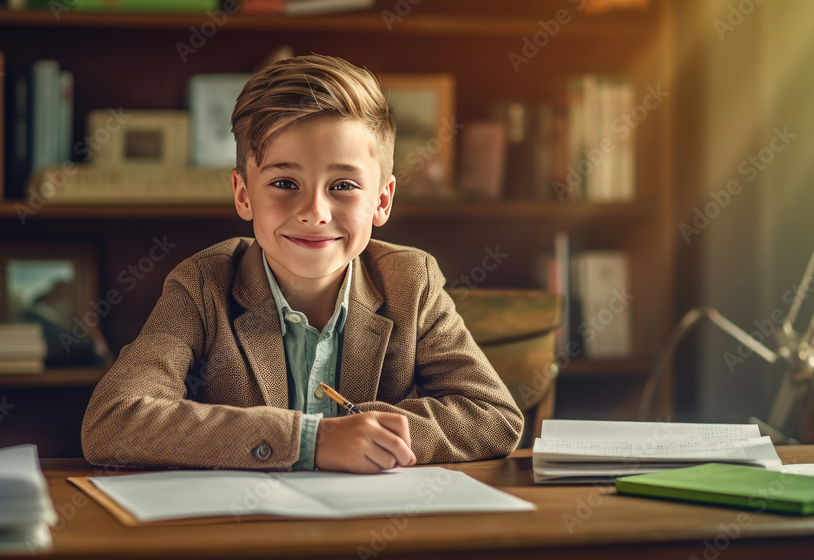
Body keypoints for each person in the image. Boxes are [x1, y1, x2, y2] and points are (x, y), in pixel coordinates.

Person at [81, 54, 523, 473]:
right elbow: (113, 421)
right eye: (285, 182)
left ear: (382, 201)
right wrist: (314, 440)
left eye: (344, 184)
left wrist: (371, 435)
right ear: (243, 194)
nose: (315, 211)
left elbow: (494, 417)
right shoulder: (202, 284)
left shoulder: (412, 283)